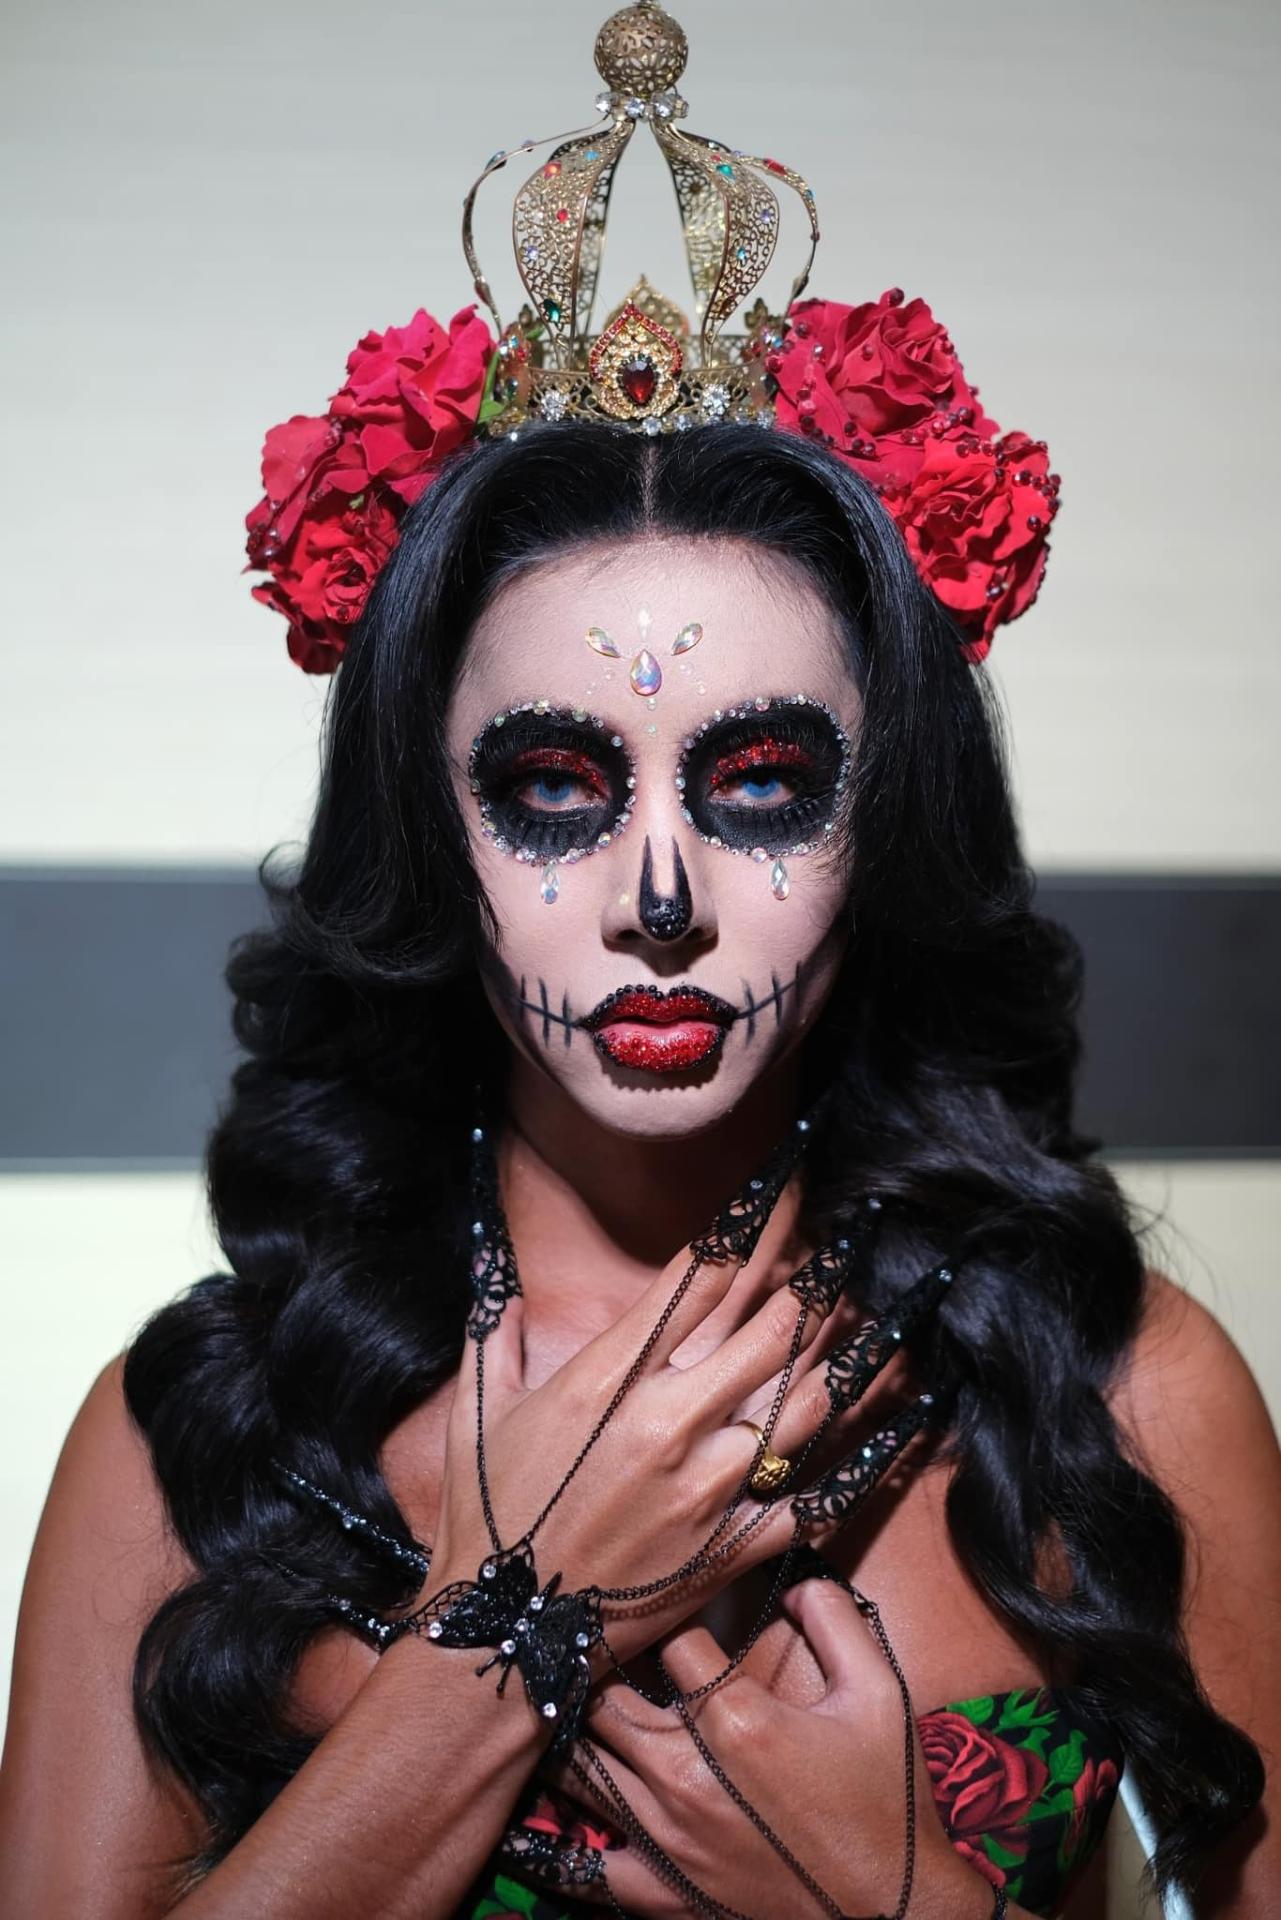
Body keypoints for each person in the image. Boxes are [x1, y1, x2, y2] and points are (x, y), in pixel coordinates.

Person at [2, 8, 1278, 1919]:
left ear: (888, 825)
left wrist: (894, 1897)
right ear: (426, 835)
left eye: (761, 786)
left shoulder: (1120, 1395)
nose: (659, 892)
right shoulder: (199, 1429)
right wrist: (536, 1613)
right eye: (552, 788)